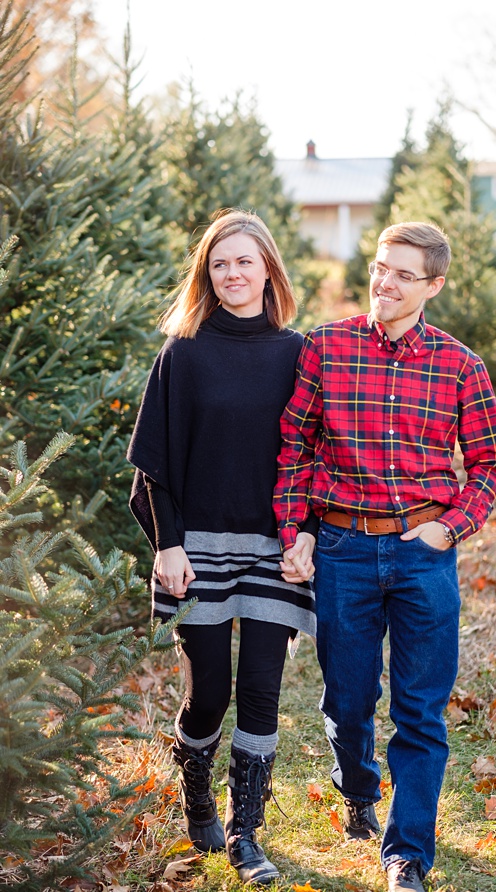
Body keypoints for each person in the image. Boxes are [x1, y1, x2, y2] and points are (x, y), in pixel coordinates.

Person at [273, 221, 496, 892]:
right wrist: (298, 529)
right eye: (381, 267)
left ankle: (406, 853)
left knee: (420, 710)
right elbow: (294, 447)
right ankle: (356, 788)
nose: (385, 281)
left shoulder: (459, 364)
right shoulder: (325, 347)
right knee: (349, 700)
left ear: (434, 285)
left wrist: (452, 527)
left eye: (404, 273)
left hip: (421, 553)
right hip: (344, 549)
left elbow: (493, 459)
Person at [127, 209, 316, 885]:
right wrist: (167, 546)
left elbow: (315, 459)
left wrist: (308, 538)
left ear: (268, 266)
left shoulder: (298, 353)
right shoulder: (182, 353)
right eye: (219, 263)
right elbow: (154, 466)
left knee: (261, 690)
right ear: (206, 275)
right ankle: (197, 792)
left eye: (244, 260)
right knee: (210, 692)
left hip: (274, 549)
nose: (233, 274)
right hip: (197, 549)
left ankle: (245, 830)